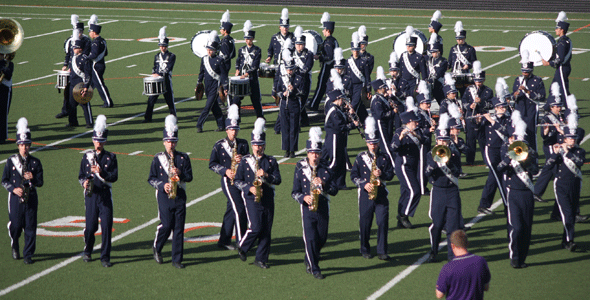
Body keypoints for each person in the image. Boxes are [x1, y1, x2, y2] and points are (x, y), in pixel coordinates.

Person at [292, 127, 338, 279]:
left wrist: (323, 184)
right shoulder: (300, 168)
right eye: (312, 153)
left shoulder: (326, 168)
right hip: (307, 207)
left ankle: (310, 257)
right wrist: (303, 198)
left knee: (322, 237)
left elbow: (334, 190)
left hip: (323, 206)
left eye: (317, 153)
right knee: (310, 237)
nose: (315, 156)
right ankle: (314, 268)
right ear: (307, 153)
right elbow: (294, 192)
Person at [236, 118, 282, 269]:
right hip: (251, 197)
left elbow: (278, 180)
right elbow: (237, 181)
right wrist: (249, 188)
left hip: (267, 197)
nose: (258, 148)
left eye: (260, 145)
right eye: (255, 145)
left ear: (264, 145)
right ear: (252, 145)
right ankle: (243, 247)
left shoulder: (271, 161)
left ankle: (261, 259)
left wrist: (267, 175)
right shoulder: (245, 161)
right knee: (255, 226)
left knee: (266, 229)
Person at [149, 115, 193, 269]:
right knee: (167, 225)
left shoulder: (183, 158)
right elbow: (151, 179)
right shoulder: (158, 158)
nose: (171, 144)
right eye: (168, 141)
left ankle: (177, 259)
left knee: (179, 228)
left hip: (179, 195)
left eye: (173, 141)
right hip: (164, 195)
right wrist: (163, 186)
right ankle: (157, 247)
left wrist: (179, 173)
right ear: (164, 142)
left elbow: (190, 177)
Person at [497, 112, 539, 268]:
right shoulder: (505, 150)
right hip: (513, 192)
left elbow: (535, 171)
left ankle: (522, 258)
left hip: (527, 192)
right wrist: (510, 157)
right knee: (517, 227)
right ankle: (514, 257)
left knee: (527, 229)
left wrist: (527, 160)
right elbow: (500, 168)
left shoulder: (530, 151)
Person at [351, 117, 395, 260]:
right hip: (365, 194)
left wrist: (382, 174)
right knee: (365, 223)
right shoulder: (360, 157)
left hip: (381, 194)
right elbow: (353, 176)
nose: (373, 146)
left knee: (382, 222)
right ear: (367, 143)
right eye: (370, 143)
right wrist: (364, 183)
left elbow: (391, 175)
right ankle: (364, 248)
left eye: (375, 143)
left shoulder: (384, 157)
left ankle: (382, 250)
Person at [3, 118, 43, 264]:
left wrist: (33, 178)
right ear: (18, 145)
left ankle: (28, 254)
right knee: (16, 226)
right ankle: (15, 243)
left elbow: (41, 182)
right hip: (15, 198)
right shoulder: (11, 161)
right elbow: (4, 180)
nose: (24, 148)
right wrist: (14, 190)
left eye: (26, 145)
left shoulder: (35, 162)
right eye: (22, 145)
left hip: (31, 197)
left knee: (30, 227)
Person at [209, 105, 249, 250]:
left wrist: (242, 158)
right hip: (228, 181)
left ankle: (224, 240)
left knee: (231, 210)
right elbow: (212, 164)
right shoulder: (219, 146)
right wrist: (225, 171)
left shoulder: (243, 144)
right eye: (231, 129)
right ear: (226, 130)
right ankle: (242, 241)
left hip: (241, 181)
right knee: (239, 208)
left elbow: (250, 162)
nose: (234, 132)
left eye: (235, 129)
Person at [79, 115, 118, 267]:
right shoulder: (87, 156)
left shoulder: (111, 157)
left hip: (105, 194)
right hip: (91, 195)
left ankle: (105, 257)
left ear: (105, 141)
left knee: (107, 226)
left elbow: (114, 177)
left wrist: (101, 173)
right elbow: (81, 175)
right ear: (93, 140)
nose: (98, 144)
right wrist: (84, 183)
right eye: (96, 140)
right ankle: (88, 249)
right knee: (90, 227)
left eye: (101, 141)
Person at [545, 112, 585, 251]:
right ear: (564, 138)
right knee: (567, 214)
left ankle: (565, 240)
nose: (572, 140)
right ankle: (570, 241)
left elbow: (579, 162)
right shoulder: (558, 150)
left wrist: (567, 152)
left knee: (572, 214)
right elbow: (548, 166)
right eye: (569, 138)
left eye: (574, 138)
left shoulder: (579, 151)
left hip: (575, 185)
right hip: (561, 186)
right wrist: (555, 154)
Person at [426, 114, 462, 263]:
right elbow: (426, 174)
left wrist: (449, 163)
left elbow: (458, 172)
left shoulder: (454, 154)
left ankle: (451, 256)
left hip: (452, 191)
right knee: (437, 223)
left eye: (445, 141)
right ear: (437, 140)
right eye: (440, 140)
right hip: (438, 191)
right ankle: (433, 250)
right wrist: (435, 162)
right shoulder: (430, 154)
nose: (443, 143)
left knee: (453, 227)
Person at [474, 81, 511, 214]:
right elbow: (480, 135)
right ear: (495, 107)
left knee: (494, 178)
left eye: (504, 107)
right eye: (501, 107)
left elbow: (506, 132)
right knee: (499, 177)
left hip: (504, 151)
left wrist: (491, 121)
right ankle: (507, 205)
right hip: (491, 151)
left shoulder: (508, 119)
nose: (503, 109)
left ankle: (483, 204)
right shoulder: (488, 119)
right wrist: (477, 122)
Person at [392, 98, 424, 228]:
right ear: (408, 122)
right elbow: (393, 147)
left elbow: (425, 141)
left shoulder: (417, 131)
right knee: (415, 190)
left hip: (413, 165)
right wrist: (401, 138)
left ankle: (400, 218)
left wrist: (419, 135)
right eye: (414, 121)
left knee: (406, 191)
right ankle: (404, 215)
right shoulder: (399, 132)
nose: (417, 123)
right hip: (403, 165)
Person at [435, 230, 491, 300]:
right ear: (467, 243)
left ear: (452, 245)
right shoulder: (481, 261)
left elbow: (439, 295)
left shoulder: (448, 268)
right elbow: (486, 287)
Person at [323, 88, 359, 190]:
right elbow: (340, 126)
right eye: (341, 99)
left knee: (342, 161)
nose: (343, 101)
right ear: (337, 99)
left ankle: (340, 184)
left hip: (340, 137)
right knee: (335, 161)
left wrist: (351, 113)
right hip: (334, 137)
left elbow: (345, 120)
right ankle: (324, 180)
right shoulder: (334, 111)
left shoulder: (338, 109)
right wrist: (352, 125)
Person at [56, 15, 91, 120]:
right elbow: (68, 54)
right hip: (71, 70)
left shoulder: (86, 41)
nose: (78, 33)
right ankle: (65, 111)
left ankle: (87, 119)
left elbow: (84, 56)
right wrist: (65, 65)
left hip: (81, 70)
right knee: (67, 93)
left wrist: (77, 67)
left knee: (81, 95)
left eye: (80, 31)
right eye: (76, 30)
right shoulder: (70, 40)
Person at [512, 50, 544, 154]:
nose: (524, 73)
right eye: (523, 71)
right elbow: (513, 95)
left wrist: (527, 91)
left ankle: (533, 158)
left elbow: (542, 96)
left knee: (531, 135)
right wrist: (515, 95)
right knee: (519, 134)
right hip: (520, 110)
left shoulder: (537, 80)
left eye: (527, 71)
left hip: (531, 111)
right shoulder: (518, 80)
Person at [196, 31, 228, 133]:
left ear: (215, 50)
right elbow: (201, 72)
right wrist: (198, 83)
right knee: (215, 108)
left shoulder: (219, 60)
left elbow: (223, 75)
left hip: (215, 87)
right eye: (208, 49)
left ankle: (199, 125)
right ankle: (222, 125)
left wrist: (225, 87)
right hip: (207, 87)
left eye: (211, 50)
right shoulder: (204, 59)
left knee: (207, 106)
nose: (209, 51)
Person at [463, 61, 493, 165]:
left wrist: (482, 102)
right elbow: (463, 102)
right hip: (471, 118)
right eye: (476, 81)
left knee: (483, 141)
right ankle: (470, 161)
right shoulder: (469, 89)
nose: (478, 83)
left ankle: (487, 160)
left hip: (482, 118)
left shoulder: (488, 91)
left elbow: (490, 105)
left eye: (480, 81)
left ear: (483, 80)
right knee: (470, 141)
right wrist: (469, 106)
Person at [144, 26, 176, 123]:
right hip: (157, 81)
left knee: (170, 101)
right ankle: (147, 118)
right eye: (161, 46)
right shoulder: (156, 56)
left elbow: (168, 68)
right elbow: (155, 67)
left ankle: (174, 118)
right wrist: (154, 73)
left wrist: (158, 74)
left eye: (164, 46)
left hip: (166, 80)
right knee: (151, 100)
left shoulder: (172, 56)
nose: (162, 48)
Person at [308, 12, 339, 111]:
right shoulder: (333, 40)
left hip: (327, 67)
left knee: (321, 86)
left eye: (324, 29)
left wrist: (319, 57)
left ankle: (313, 105)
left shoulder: (328, 42)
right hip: (333, 67)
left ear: (328, 30)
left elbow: (329, 57)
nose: (322, 31)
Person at [233, 20, 263, 118]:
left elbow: (255, 65)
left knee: (255, 100)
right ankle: (237, 118)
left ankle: (260, 117)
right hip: (242, 78)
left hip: (252, 78)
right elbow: (238, 60)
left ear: (253, 38)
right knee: (236, 100)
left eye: (249, 38)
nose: (247, 40)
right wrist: (237, 69)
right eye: (246, 38)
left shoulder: (257, 50)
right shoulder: (241, 49)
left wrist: (247, 73)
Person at [277, 50, 304, 158]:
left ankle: (293, 150)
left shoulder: (299, 78)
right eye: (288, 69)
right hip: (284, 104)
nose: (289, 71)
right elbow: (278, 90)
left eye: (291, 69)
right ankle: (286, 149)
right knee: (285, 127)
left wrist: (294, 90)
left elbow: (302, 92)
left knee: (294, 127)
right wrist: (282, 94)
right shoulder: (282, 77)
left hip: (294, 104)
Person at [266, 8, 294, 100]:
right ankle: (277, 97)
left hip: (289, 65)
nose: (285, 28)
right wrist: (269, 57)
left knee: (289, 81)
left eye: (286, 26)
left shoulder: (292, 37)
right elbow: (270, 49)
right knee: (277, 81)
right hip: (277, 63)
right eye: (283, 26)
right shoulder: (274, 38)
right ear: (280, 27)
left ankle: (288, 96)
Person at [542, 11, 572, 98]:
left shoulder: (562, 42)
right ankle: (550, 106)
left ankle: (570, 109)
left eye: (557, 28)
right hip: (563, 67)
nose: (555, 30)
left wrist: (549, 63)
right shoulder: (567, 40)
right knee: (553, 89)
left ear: (562, 30)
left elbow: (561, 59)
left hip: (562, 68)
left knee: (563, 90)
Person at [66, 33, 93, 128]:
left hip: (80, 85)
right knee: (71, 104)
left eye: (75, 48)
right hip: (72, 84)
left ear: (80, 48)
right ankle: (73, 121)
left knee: (84, 104)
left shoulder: (85, 59)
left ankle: (89, 122)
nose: (73, 49)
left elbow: (87, 74)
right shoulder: (73, 58)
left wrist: (86, 87)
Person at [370, 68, 396, 168]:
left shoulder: (382, 98)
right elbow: (380, 115)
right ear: (378, 89)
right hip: (381, 125)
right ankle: (394, 166)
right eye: (383, 88)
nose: (385, 89)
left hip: (386, 124)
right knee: (386, 146)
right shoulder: (377, 100)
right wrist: (392, 112)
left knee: (388, 144)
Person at [87, 15, 114, 108]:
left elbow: (93, 55)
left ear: (94, 32)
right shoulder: (103, 41)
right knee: (91, 84)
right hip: (101, 64)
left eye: (90, 32)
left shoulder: (96, 42)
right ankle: (84, 99)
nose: (89, 34)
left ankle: (108, 102)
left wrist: (86, 57)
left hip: (96, 66)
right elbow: (105, 53)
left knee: (100, 85)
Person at [346, 32, 371, 124]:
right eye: (354, 50)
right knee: (359, 106)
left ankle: (350, 120)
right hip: (350, 86)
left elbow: (367, 77)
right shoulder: (348, 61)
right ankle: (366, 120)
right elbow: (346, 76)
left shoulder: (364, 61)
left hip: (359, 86)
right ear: (351, 50)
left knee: (354, 105)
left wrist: (368, 89)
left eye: (357, 50)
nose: (356, 52)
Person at [448, 21, 477, 97]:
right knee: (453, 97)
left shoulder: (470, 49)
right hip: (454, 76)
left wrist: (468, 65)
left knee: (465, 96)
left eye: (461, 39)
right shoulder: (453, 49)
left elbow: (474, 62)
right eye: (457, 39)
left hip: (465, 76)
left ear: (464, 38)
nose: (459, 40)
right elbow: (450, 63)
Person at [293, 26, 314, 126]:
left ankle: (298, 122)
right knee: (297, 102)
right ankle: (305, 121)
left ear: (304, 44)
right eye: (297, 44)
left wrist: (298, 72)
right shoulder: (292, 53)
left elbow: (308, 67)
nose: (299, 46)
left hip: (305, 81)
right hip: (293, 81)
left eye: (301, 44)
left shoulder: (308, 54)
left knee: (302, 102)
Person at [398, 26, 427, 99]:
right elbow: (400, 70)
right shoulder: (403, 55)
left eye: (410, 45)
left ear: (415, 46)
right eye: (407, 45)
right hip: (404, 82)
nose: (408, 47)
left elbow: (424, 74)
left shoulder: (419, 57)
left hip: (413, 83)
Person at [426, 34, 448, 105]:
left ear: (439, 51)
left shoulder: (443, 61)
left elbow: (439, 73)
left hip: (439, 85)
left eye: (434, 52)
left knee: (442, 103)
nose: (433, 54)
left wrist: (430, 80)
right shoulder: (429, 60)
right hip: (430, 85)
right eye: (432, 52)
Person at [0, 52, 15, 143]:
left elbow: (9, 75)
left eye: (1, 54)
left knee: (3, 113)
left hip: (4, 89)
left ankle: (2, 136)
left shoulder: (9, 63)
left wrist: (2, 68)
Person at [219, 10, 236, 79]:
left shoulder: (225, 41)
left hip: (223, 66)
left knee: (221, 84)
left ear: (225, 30)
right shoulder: (230, 39)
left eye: (221, 29)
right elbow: (233, 55)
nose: (220, 30)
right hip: (227, 65)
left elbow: (226, 56)